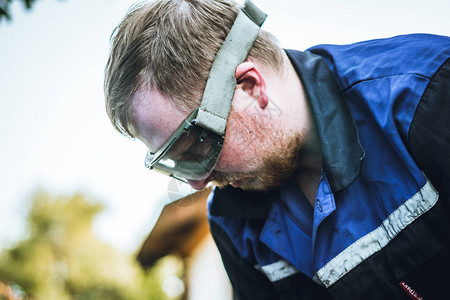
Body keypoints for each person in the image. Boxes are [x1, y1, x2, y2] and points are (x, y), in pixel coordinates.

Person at [104, 0, 450, 298]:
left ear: (251, 87)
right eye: (176, 163)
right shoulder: (232, 222)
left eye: (196, 147)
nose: (197, 184)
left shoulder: (426, 98)